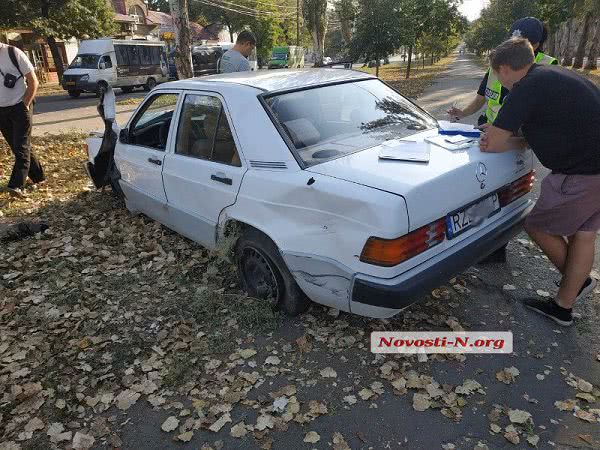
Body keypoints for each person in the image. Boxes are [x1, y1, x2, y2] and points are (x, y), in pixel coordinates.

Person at [479, 37, 600, 327]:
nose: (499, 81)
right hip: (595, 168)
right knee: (583, 233)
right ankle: (565, 303)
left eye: (497, 74)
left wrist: (494, 134)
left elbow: (493, 144)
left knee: (536, 225)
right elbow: (534, 136)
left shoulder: (525, 88)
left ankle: (574, 286)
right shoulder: (556, 74)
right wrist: (505, 135)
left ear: (505, 68)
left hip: (580, 173)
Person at [448, 17, 557, 126]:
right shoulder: (498, 62)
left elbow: (542, 115)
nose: (513, 48)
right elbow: (479, 99)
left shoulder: (547, 68)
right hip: (487, 128)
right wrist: (462, 113)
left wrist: (501, 130)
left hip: (515, 135)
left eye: (520, 45)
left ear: (535, 45)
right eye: (511, 43)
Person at [0, 42, 43, 198]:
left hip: (20, 106)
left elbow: (33, 81)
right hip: (1, 110)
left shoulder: (13, 53)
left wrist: (24, 104)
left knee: (21, 147)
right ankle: (39, 177)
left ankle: (16, 185)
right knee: (19, 146)